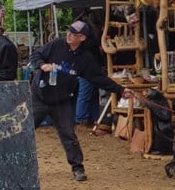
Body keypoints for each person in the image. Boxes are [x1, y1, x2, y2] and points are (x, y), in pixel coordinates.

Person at [29, 21, 134, 181]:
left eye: (74, 34)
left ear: (82, 38)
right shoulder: (56, 44)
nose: (69, 35)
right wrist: (41, 65)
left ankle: (77, 167)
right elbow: (36, 54)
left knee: (68, 134)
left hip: (63, 100)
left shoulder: (85, 59)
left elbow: (98, 78)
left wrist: (120, 90)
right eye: (69, 31)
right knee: (24, 129)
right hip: (40, 96)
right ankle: (14, 162)